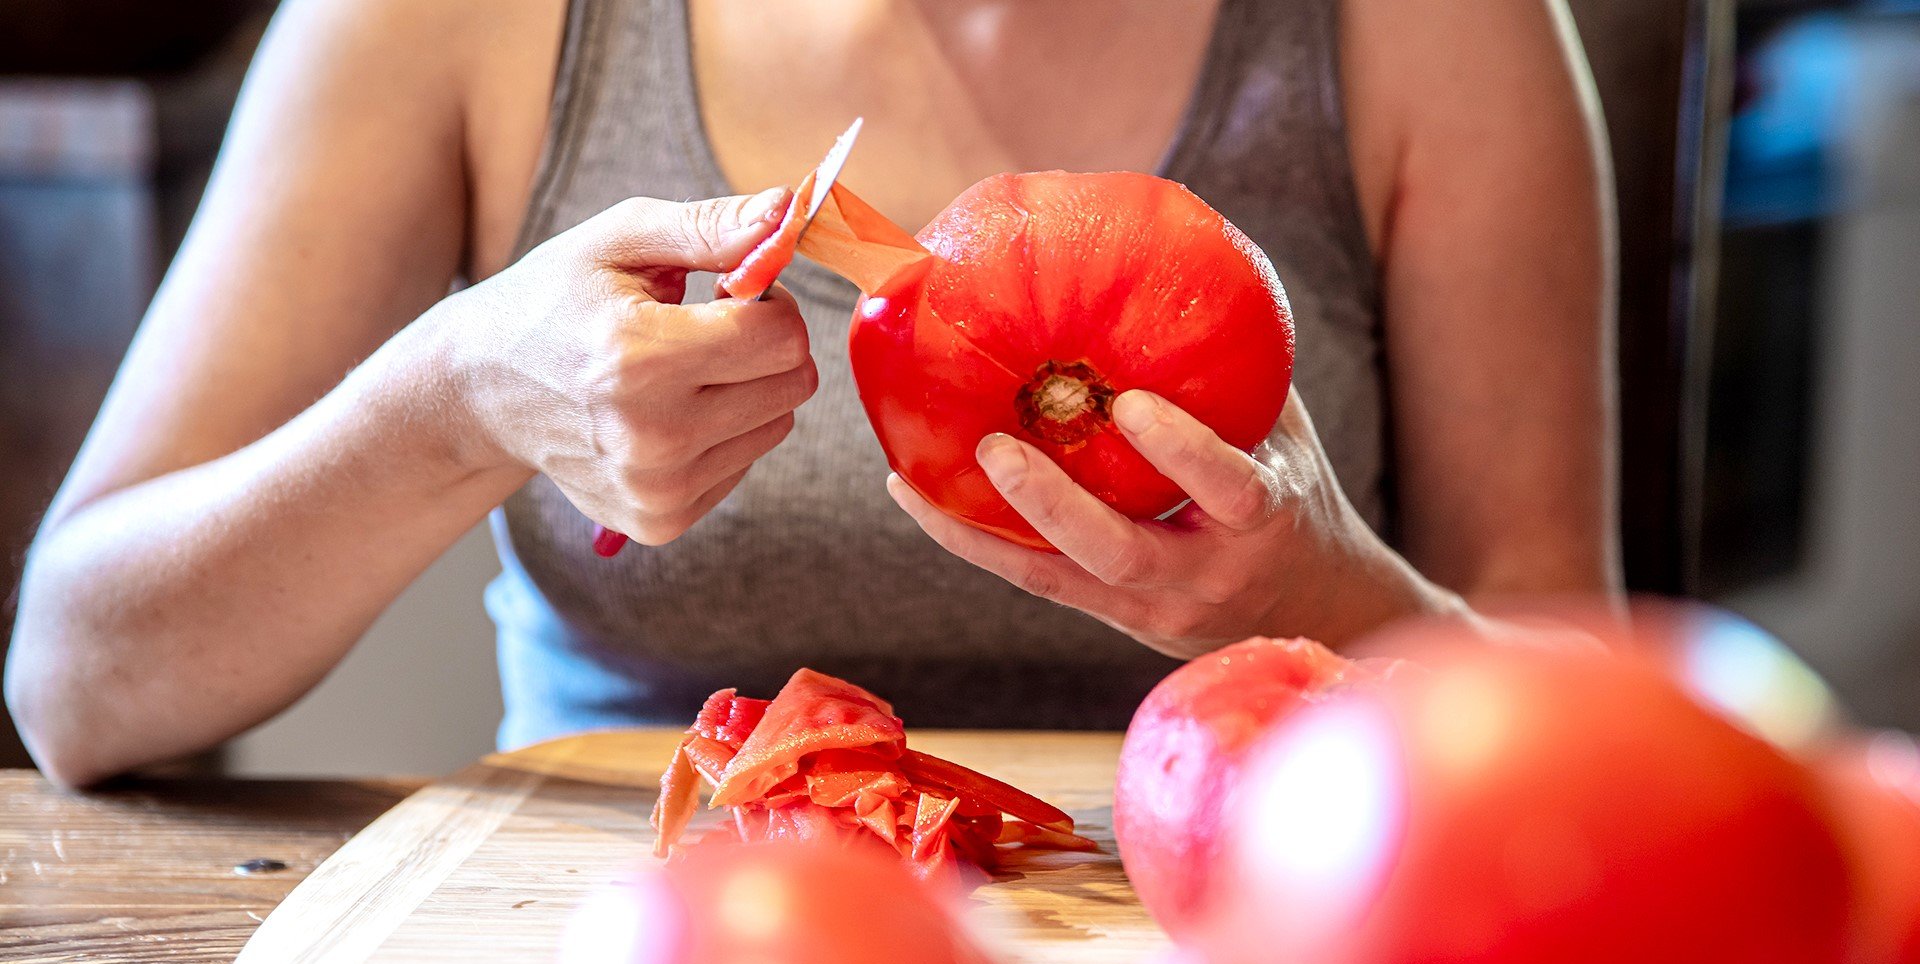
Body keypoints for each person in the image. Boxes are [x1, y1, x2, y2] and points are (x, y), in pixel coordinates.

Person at [6, 0, 1619, 786]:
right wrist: (458, 397)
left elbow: (1595, 735)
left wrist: (1322, 587)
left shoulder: (1437, 31)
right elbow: (78, 684)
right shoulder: (457, 21)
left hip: (1256, 958)